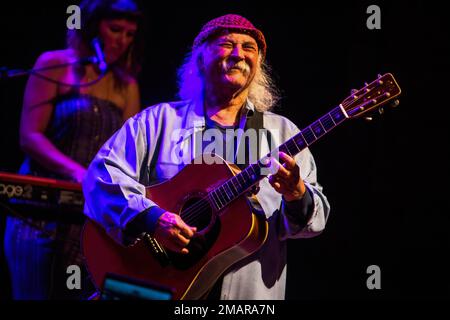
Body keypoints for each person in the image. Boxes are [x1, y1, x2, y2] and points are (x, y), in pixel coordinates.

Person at [83, 14, 330, 299]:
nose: (239, 54)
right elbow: (101, 175)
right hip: (159, 285)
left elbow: (315, 221)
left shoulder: (282, 132)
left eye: (249, 48)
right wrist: (153, 218)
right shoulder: (159, 121)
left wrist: (296, 193)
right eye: (227, 44)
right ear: (200, 58)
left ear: (258, 64)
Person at [4, 0, 145, 300]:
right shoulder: (55, 64)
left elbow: (128, 153)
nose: (122, 40)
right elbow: (30, 136)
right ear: (92, 27)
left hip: (89, 214)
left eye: (130, 34)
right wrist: (78, 173)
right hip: (40, 211)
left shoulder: (127, 85)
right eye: (115, 29)